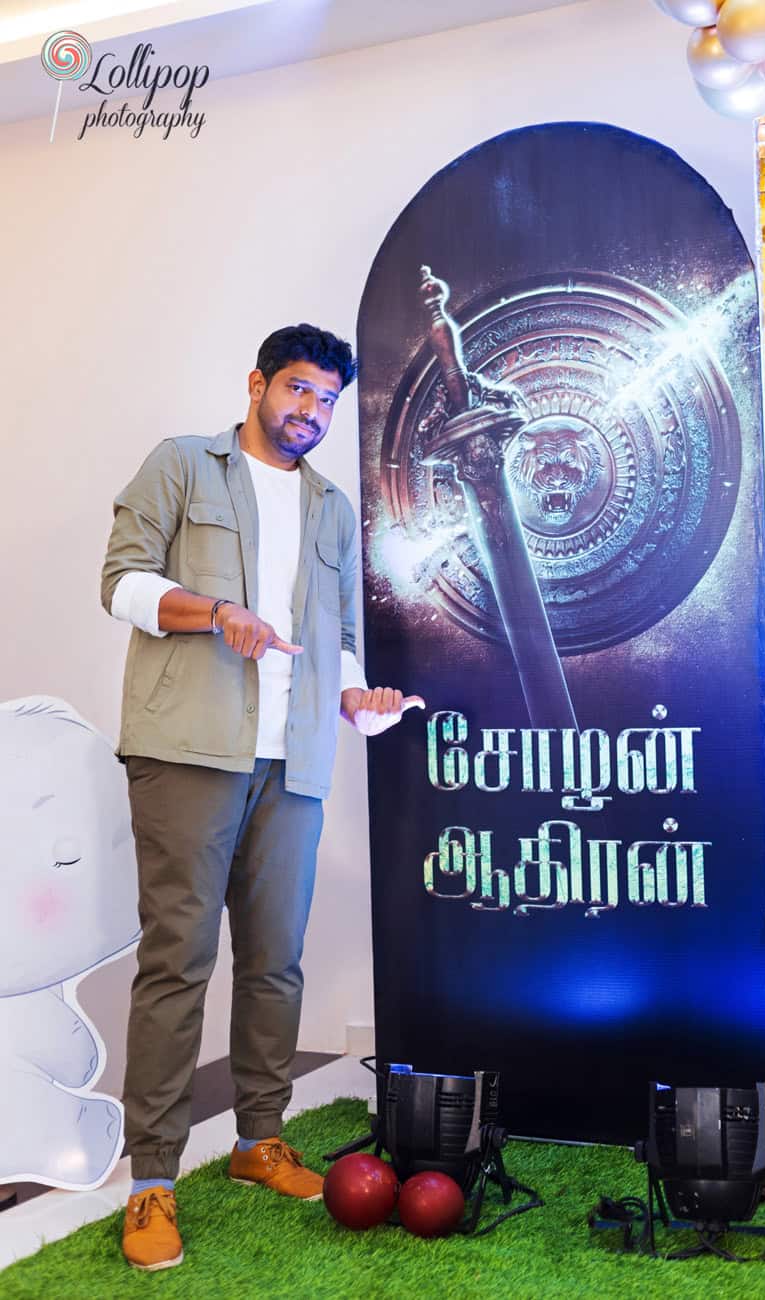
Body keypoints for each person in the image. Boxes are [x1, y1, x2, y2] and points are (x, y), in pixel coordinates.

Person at [100, 323, 422, 1271]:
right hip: (189, 751)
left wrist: (362, 696)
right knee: (179, 962)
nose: (310, 413)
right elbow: (120, 584)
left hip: (298, 760)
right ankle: (151, 1179)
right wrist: (216, 613)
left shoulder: (330, 507)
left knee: (276, 963)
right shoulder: (181, 465)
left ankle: (258, 1141)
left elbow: (341, 639)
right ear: (257, 384)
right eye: (297, 391)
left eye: (325, 400)